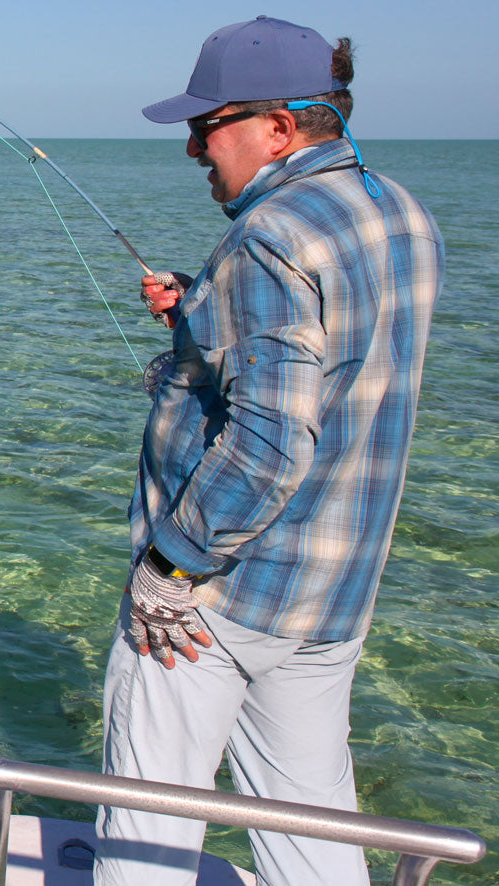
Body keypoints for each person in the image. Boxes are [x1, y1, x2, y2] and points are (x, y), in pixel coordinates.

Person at [95, 16, 443, 886]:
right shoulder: (399, 211)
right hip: (334, 594)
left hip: (217, 600)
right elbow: (336, 362)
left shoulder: (268, 236)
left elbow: (267, 444)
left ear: (279, 127)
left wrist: (169, 570)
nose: (193, 151)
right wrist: (199, 312)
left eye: (205, 127)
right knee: (311, 827)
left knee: (147, 833)